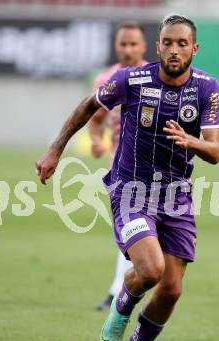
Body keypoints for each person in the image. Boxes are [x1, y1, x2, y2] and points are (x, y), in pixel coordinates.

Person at [35, 14, 219, 341]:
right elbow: (89, 106)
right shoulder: (131, 80)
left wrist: (193, 142)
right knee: (151, 270)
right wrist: (56, 148)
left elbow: (216, 151)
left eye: (182, 44)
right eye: (168, 42)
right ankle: (121, 307)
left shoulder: (207, 88)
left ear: (194, 48)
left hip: (176, 197)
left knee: (171, 289)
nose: (174, 50)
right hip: (131, 191)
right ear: (157, 46)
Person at [88, 22, 148, 311]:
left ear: (144, 46)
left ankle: (129, 288)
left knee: (146, 236)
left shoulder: (156, 77)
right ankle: (118, 292)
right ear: (116, 46)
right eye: (123, 44)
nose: (128, 50)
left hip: (158, 169)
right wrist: (97, 141)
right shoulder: (107, 78)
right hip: (123, 169)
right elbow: (95, 118)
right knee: (132, 231)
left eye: (133, 44)